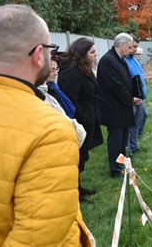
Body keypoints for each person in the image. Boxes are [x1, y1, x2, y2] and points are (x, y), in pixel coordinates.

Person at [0, 4, 92, 245]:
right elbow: (38, 239)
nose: (51, 56)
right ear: (38, 54)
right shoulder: (51, 130)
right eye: (50, 49)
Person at [58, 38, 103, 203]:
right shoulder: (71, 73)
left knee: (82, 156)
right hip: (80, 121)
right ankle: (74, 192)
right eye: (92, 52)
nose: (95, 55)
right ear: (81, 54)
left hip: (88, 117)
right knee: (76, 156)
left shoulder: (84, 69)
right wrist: (83, 117)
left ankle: (79, 187)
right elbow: (70, 101)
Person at [97, 33, 142, 178]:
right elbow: (115, 85)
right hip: (114, 108)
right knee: (116, 139)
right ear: (121, 45)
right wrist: (130, 99)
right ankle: (115, 170)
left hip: (122, 107)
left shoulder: (119, 59)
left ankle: (121, 164)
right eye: (129, 47)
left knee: (123, 138)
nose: (130, 50)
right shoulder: (107, 61)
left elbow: (125, 81)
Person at [39, 56, 87, 148]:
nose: (56, 73)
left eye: (56, 69)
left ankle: (122, 160)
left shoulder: (54, 88)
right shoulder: (44, 92)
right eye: (52, 69)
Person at [124, 38, 148, 153]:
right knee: (131, 123)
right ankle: (129, 149)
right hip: (132, 98)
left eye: (136, 47)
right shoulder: (124, 61)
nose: (134, 50)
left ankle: (134, 145)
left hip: (140, 97)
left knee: (141, 118)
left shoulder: (133, 59)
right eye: (133, 47)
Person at [134, 46, 148, 137]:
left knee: (144, 115)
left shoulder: (137, 63)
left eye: (140, 54)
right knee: (138, 117)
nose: (139, 56)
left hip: (141, 95)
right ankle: (135, 138)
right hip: (136, 96)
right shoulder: (131, 62)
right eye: (137, 54)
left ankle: (139, 133)